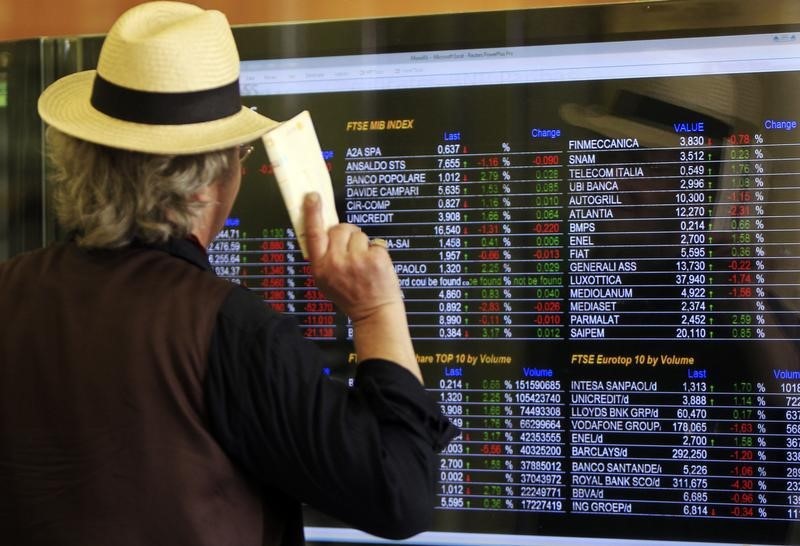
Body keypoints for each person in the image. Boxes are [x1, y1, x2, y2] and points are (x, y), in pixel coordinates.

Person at [0, 2, 457, 545]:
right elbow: (399, 493)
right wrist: (376, 310)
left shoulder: (8, 288)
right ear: (204, 182)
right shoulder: (228, 329)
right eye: (238, 153)